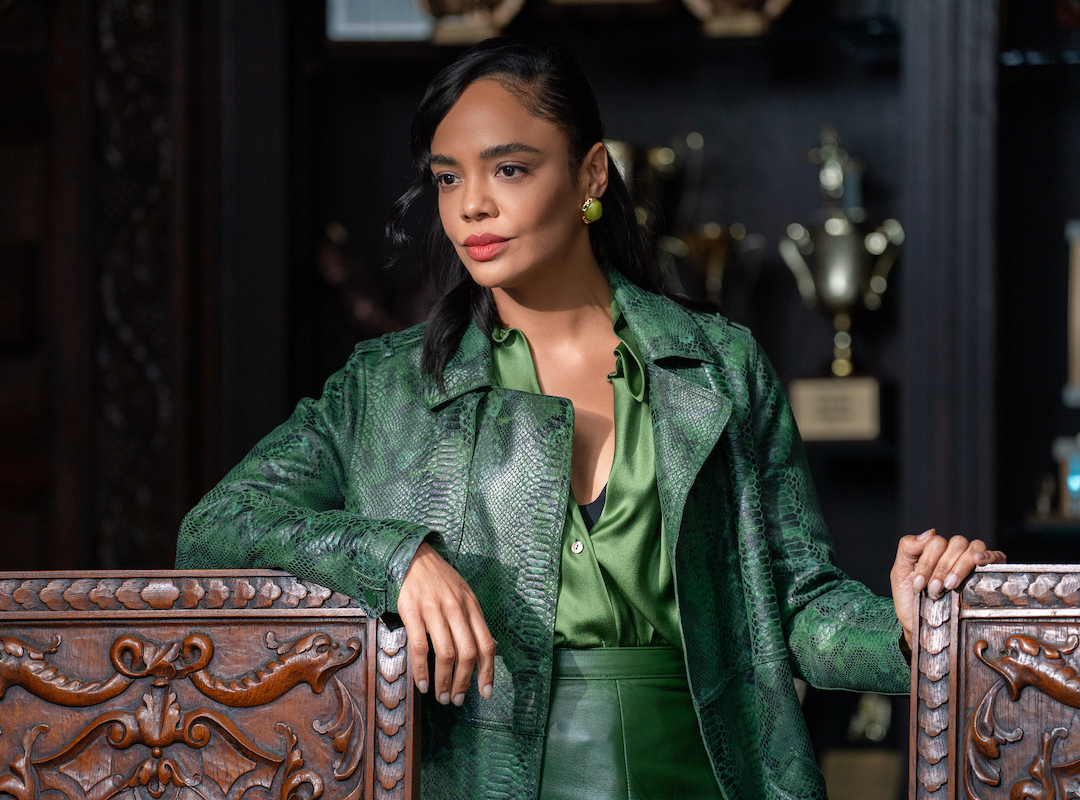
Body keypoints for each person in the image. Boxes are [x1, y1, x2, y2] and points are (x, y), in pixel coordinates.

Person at [177, 37, 1005, 800]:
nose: (471, 207)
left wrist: (912, 631)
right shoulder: (386, 389)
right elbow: (216, 525)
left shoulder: (718, 366)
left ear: (592, 175)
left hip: (709, 775)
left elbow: (798, 609)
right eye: (447, 177)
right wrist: (397, 559)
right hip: (484, 775)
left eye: (508, 169)